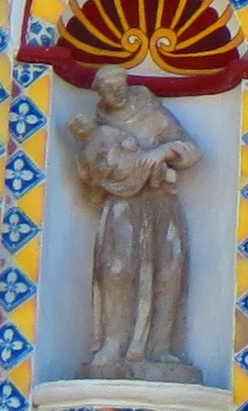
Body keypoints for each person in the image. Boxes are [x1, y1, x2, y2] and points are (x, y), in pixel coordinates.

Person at [76, 63, 203, 382]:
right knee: (117, 271)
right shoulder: (98, 126)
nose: (116, 92)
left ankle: (159, 347)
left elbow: (192, 151)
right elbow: (90, 173)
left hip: (160, 204)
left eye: (119, 85)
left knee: (167, 271)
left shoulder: (152, 113)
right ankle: (113, 344)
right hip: (122, 206)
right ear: (99, 92)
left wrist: (163, 151)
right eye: (108, 88)